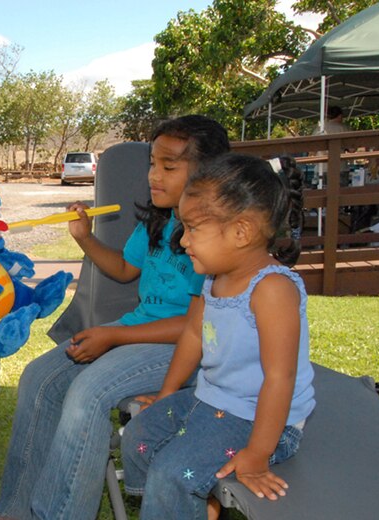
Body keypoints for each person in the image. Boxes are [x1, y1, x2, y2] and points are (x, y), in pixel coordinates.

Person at [0, 115, 231, 520]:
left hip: (187, 347)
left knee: (90, 392)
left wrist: (116, 337)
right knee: (39, 377)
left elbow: (197, 326)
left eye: (169, 166)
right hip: (135, 332)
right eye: (152, 163)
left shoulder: (211, 234)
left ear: (208, 172)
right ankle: (14, 512)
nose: (154, 175)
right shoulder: (159, 218)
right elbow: (123, 270)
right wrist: (85, 238)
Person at [120, 153, 316, 520]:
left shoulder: (272, 289)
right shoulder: (213, 278)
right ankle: (184, 504)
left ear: (241, 232)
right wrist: (166, 394)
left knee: (172, 472)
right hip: (209, 400)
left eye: (193, 228)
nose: (183, 239)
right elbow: (194, 334)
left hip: (260, 419)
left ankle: (180, 497)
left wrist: (257, 454)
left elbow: (280, 377)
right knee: (138, 436)